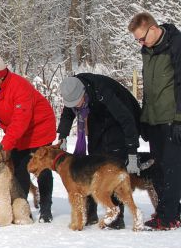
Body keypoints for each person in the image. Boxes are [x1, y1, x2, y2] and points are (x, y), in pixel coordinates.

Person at [56, 73, 145, 229]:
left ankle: (117, 217)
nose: (76, 106)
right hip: (97, 118)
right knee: (93, 163)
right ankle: (90, 214)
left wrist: (132, 152)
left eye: (78, 102)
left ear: (84, 92)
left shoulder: (102, 91)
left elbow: (127, 119)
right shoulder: (72, 89)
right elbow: (68, 114)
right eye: (72, 104)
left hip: (119, 122)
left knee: (111, 166)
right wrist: (62, 136)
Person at [0, 55, 55, 221]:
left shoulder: (19, 86)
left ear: (1, 75)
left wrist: (3, 148)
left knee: (42, 168)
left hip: (39, 129)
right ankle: (22, 208)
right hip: (17, 133)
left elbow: (21, 120)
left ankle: (46, 208)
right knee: (19, 169)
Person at [129, 12, 181, 229]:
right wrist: (145, 118)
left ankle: (168, 217)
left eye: (142, 38)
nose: (140, 43)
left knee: (171, 168)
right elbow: (149, 89)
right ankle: (170, 211)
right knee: (158, 168)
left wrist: (179, 119)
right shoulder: (147, 51)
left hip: (172, 117)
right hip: (155, 119)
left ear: (152, 28)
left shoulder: (176, 44)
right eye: (137, 40)